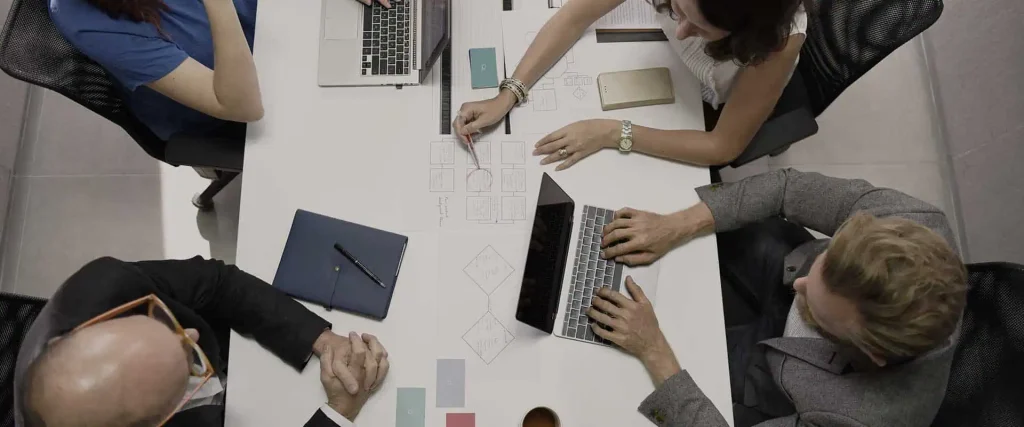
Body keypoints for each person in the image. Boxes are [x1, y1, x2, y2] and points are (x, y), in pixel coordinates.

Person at [589, 169, 967, 426]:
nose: (798, 288)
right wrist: (675, 225)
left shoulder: (860, 418)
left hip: (775, 376)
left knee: (638, 374)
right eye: (823, 264)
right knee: (692, 214)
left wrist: (655, 351)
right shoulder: (906, 218)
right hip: (784, 260)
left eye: (815, 313)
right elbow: (787, 189)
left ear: (872, 353)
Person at [14, 256, 389, 427]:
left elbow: (218, 285)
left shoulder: (105, 288)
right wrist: (339, 412)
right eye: (188, 363)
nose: (191, 334)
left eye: (160, 321)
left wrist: (319, 339)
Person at [454, 0, 807, 169]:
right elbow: (576, 15)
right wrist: (508, 94)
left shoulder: (777, 42)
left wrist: (611, 133)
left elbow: (721, 146)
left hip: (711, 103)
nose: (681, 31)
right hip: (666, 69)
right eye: (678, 9)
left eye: (699, 28)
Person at [48, 0, 390, 142]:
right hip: (232, 96)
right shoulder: (81, 17)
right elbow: (241, 106)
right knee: (375, 125)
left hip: (275, 32)